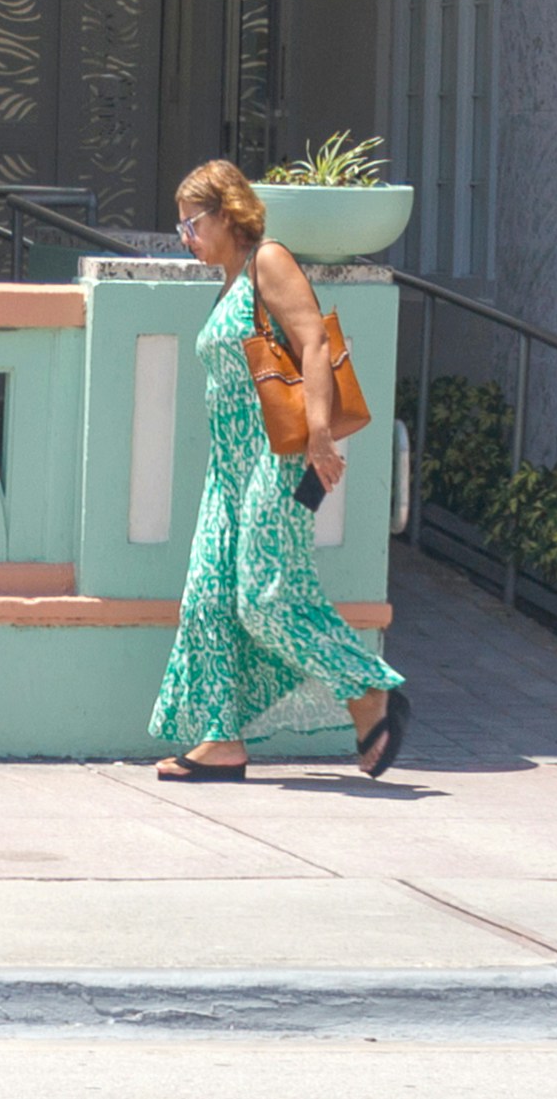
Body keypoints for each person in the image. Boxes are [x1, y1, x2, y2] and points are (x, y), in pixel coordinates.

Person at [148, 155, 406, 783]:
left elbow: (313, 340)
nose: (187, 239)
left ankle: (367, 692)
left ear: (227, 212)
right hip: (229, 470)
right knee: (209, 597)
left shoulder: (269, 261)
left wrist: (319, 435)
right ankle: (222, 738)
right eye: (180, 228)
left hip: (280, 456)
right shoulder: (229, 281)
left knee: (265, 596)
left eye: (193, 224)